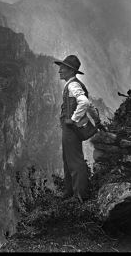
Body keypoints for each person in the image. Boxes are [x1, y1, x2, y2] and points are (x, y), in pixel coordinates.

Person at [54, 55, 90, 202]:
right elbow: (89, 104)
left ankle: (79, 195)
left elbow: (84, 102)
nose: (59, 70)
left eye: (63, 68)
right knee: (68, 159)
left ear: (70, 70)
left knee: (74, 161)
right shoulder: (73, 84)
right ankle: (69, 191)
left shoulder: (73, 85)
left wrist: (72, 119)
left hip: (71, 128)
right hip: (69, 128)